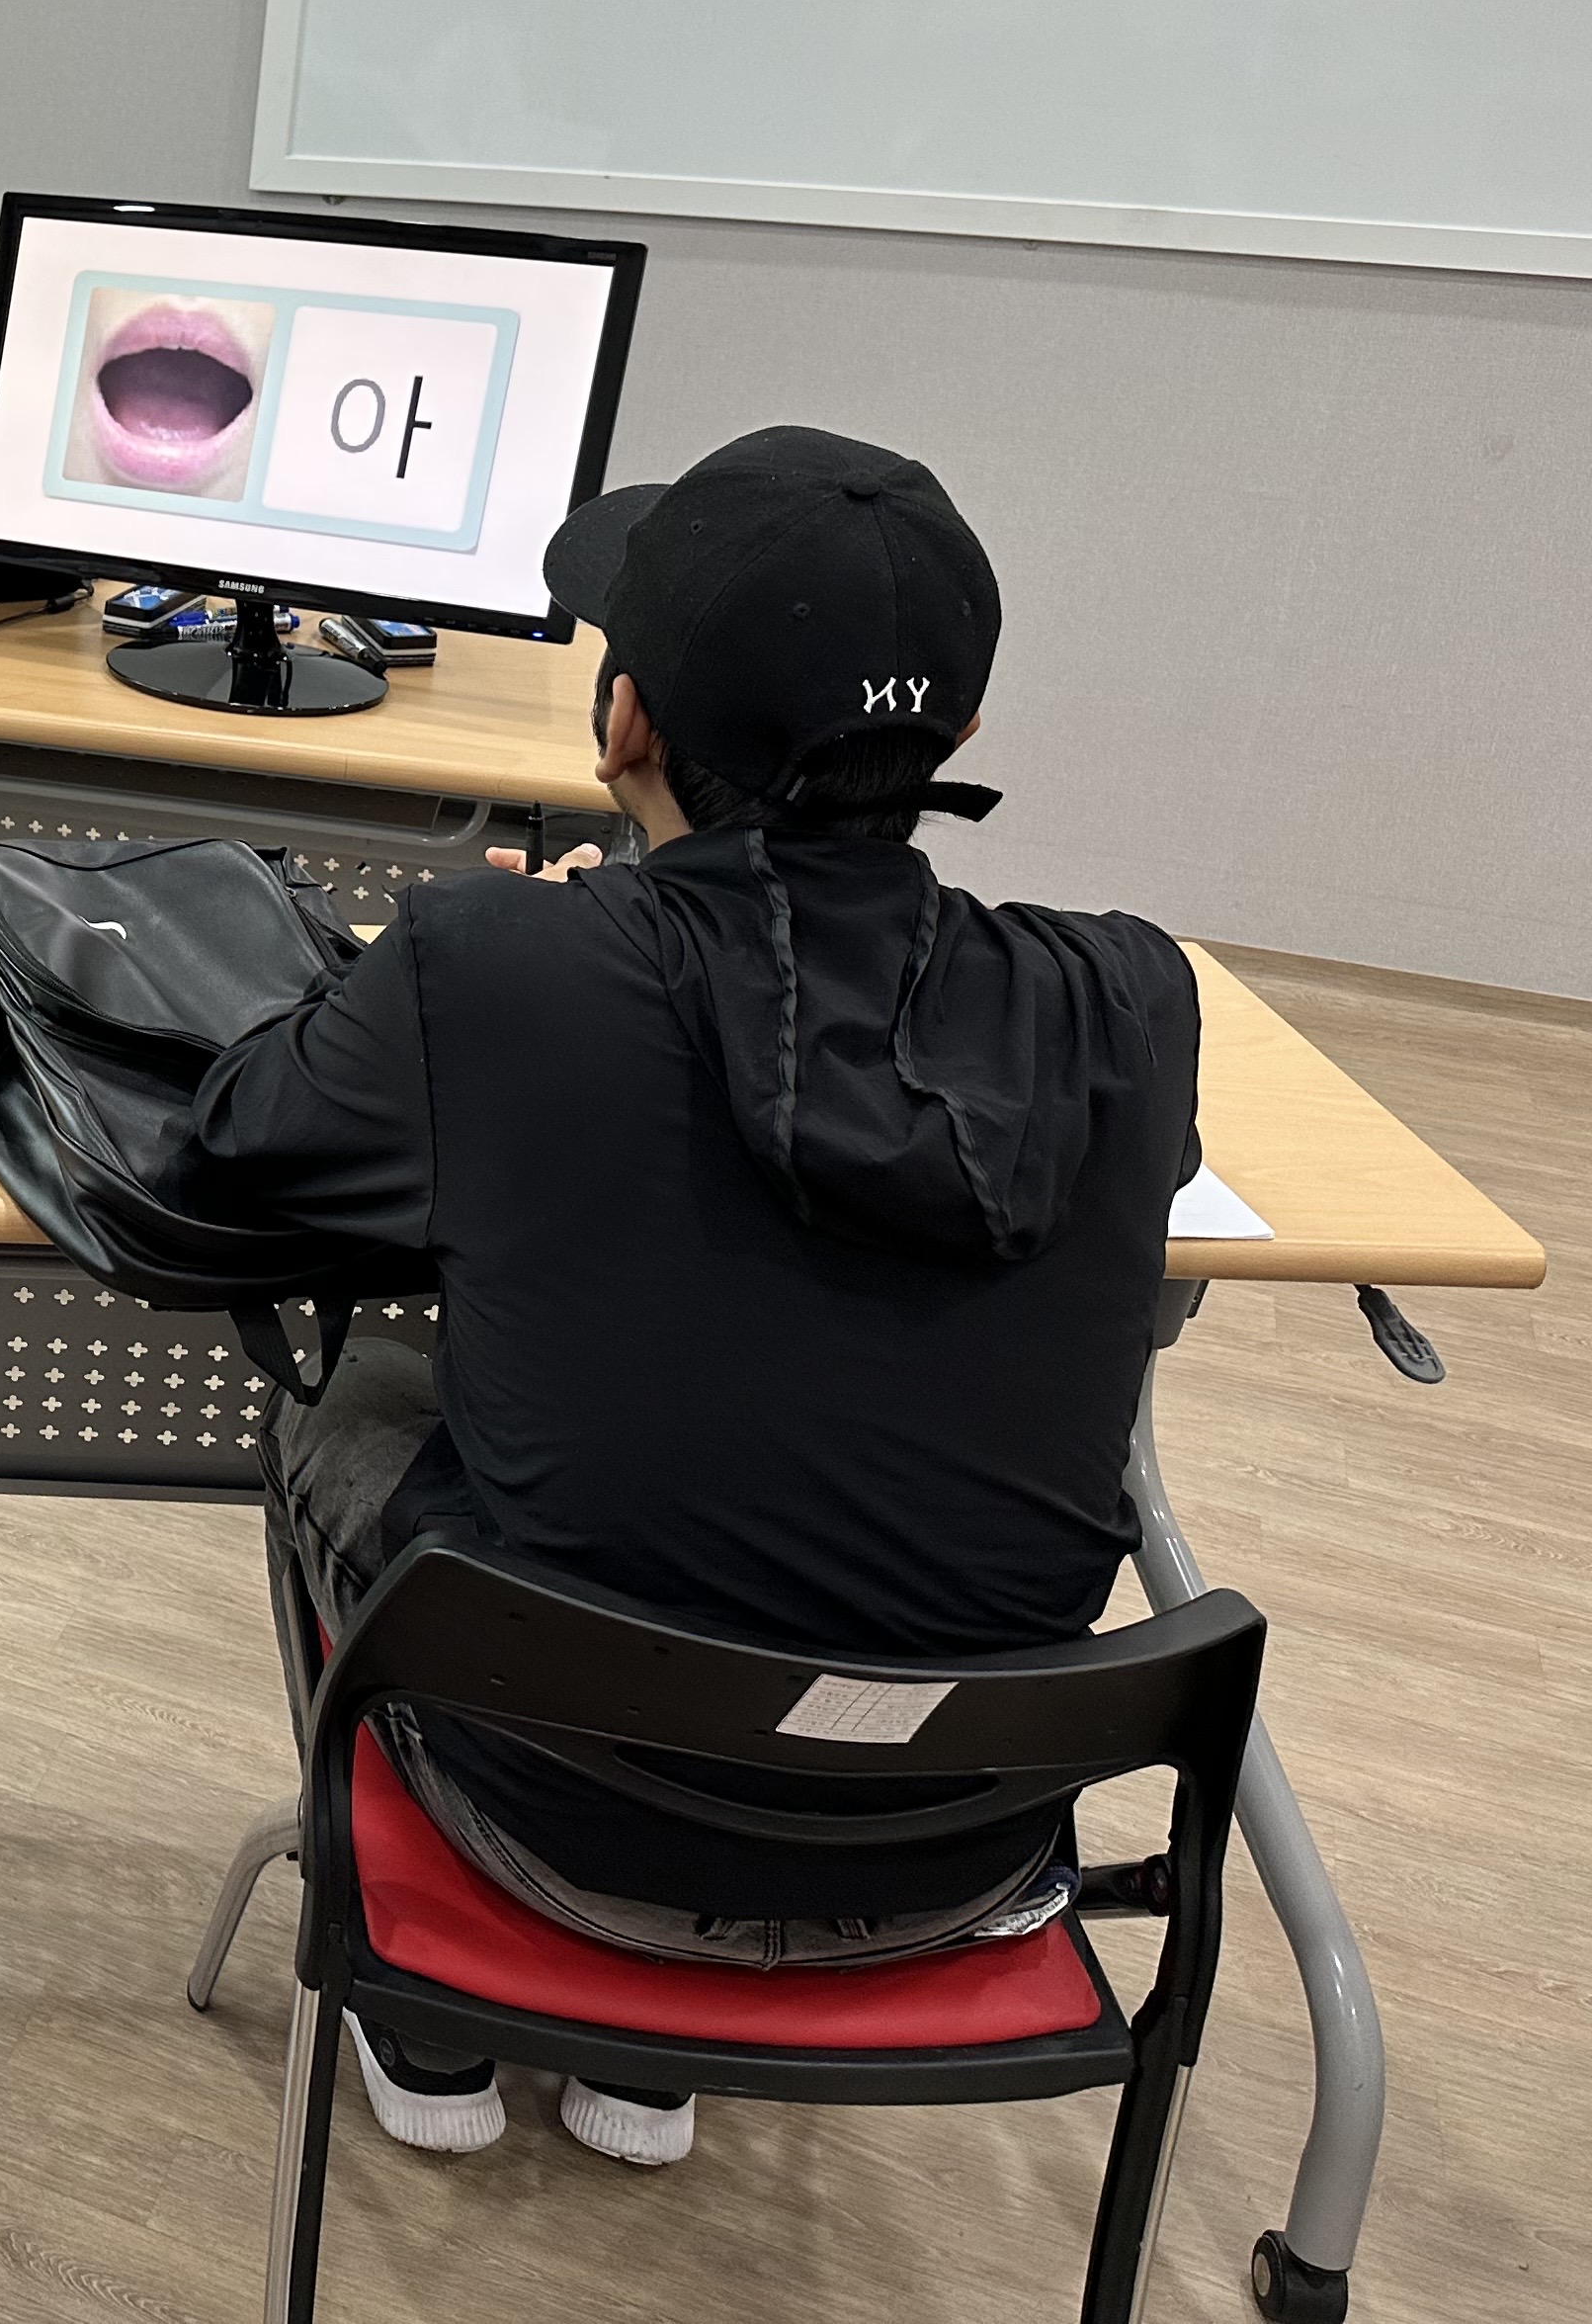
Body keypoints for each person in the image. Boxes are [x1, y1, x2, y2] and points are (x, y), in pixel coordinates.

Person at [164, 428, 1198, 2171]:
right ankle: (646, 2069)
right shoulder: (1126, 1001)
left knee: (351, 1397)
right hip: (953, 1851)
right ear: (952, 734)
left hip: (559, 1835)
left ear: (623, 721)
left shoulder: (499, 966)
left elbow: (238, 1138)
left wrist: (522, 969)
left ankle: (439, 2007)